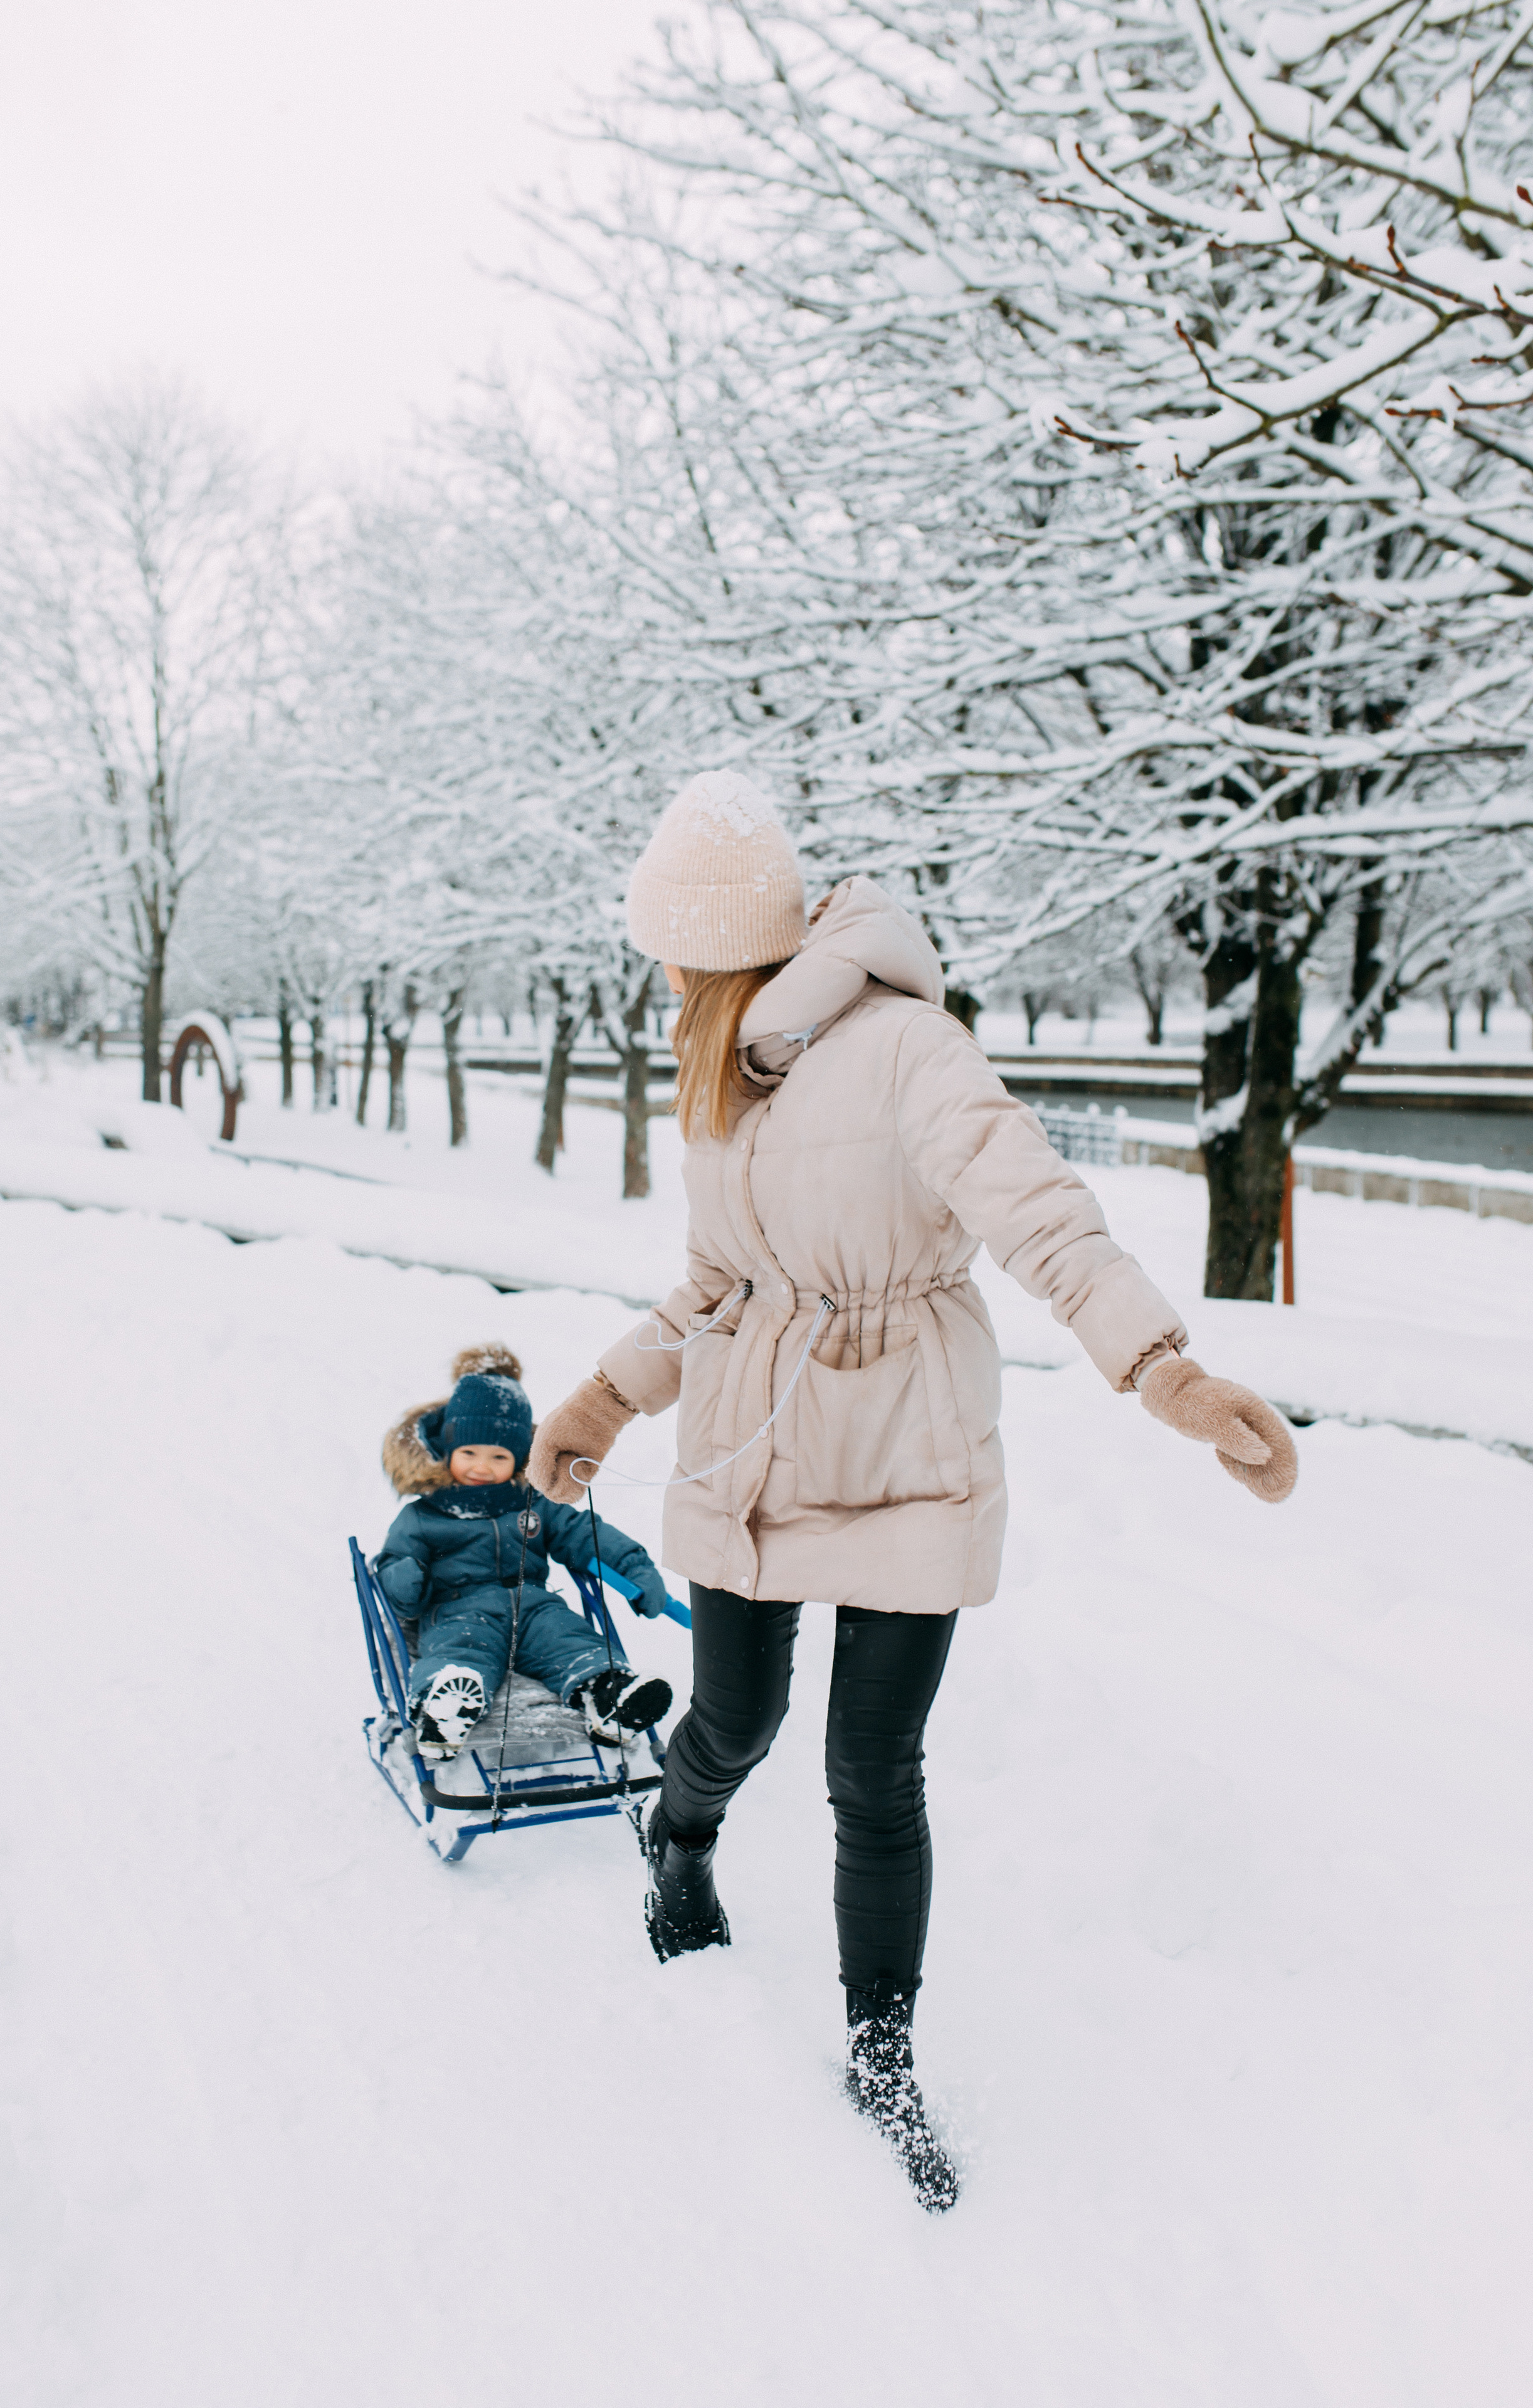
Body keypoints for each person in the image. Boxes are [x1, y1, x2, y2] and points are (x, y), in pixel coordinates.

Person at [529, 769, 1298, 2214]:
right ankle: (675, 1841)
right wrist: (600, 1396)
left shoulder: (904, 1049)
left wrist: (1164, 1370)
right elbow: (714, 1283)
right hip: (754, 1431)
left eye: (679, 959)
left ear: (725, 944)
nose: (671, 987)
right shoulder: (722, 1076)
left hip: (907, 1439)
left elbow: (1040, 1215)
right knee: (734, 1721)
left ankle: (880, 2049)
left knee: (871, 1768)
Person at [376, 1344, 675, 1763]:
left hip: (533, 1606)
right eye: (469, 1454)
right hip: (459, 1609)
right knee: (461, 1649)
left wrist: (635, 1569)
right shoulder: (423, 1517)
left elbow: (585, 1534)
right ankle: (446, 1704)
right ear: (448, 1453)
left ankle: (608, 1696)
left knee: (569, 1638)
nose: (482, 1466)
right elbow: (393, 1573)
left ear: (519, 1459)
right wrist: (402, 1578)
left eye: (498, 1456)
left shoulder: (533, 1502)